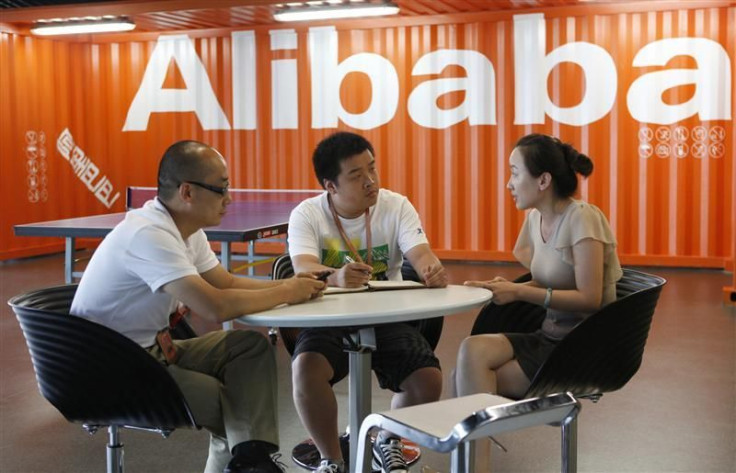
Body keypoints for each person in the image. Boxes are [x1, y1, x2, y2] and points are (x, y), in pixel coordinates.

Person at [70, 140, 326, 473]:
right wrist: (289, 291)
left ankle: (250, 460)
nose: (229, 199)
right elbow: (214, 306)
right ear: (187, 192)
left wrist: (295, 285)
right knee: (235, 406)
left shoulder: (187, 230)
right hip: (110, 370)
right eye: (221, 189)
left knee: (246, 346)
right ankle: (251, 460)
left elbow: (226, 282)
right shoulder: (149, 234)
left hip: (149, 350)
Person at [455, 133, 622, 471]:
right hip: (548, 336)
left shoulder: (582, 218)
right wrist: (501, 286)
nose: (508, 183)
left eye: (515, 172)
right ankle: (477, 464)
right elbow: (548, 282)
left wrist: (519, 292)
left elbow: (589, 298)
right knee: (470, 351)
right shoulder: (535, 219)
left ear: (543, 180)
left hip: (579, 348)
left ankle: (475, 465)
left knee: (470, 381)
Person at [287, 131, 448, 473]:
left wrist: (431, 270)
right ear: (331, 186)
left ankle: (387, 439)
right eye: (357, 176)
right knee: (305, 371)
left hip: (385, 316)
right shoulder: (307, 214)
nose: (370, 181)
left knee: (428, 379)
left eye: (372, 169)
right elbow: (302, 267)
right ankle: (331, 458)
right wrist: (334, 277)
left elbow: (421, 254)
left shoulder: (396, 205)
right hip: (328, 317)